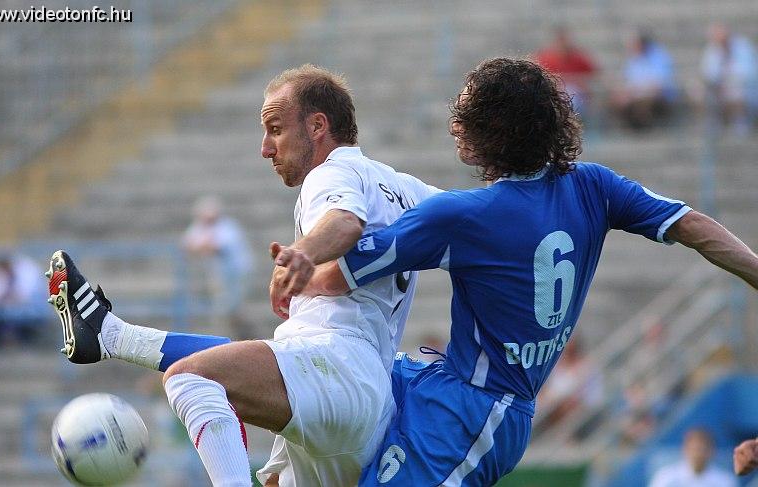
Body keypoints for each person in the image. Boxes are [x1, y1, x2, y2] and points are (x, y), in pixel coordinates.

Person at [271, 58, 758, 485]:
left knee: (321, 383)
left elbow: (335, 276)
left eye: (465, 114)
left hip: (475, 413)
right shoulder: (594, 186)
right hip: (441, 384)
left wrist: (294, 275)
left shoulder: (463, 216)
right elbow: (693, 226)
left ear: (490, 131)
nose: (455, 124)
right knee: (313, 406)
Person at [44, 64, 440, 487]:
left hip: (339, 368)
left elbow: (344, 221)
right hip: (362, 397)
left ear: (317, 126)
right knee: (246, 386)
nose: (266, 148)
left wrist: (301, 255)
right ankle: (113, 336)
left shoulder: (331, 174)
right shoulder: (407, 189)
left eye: (275, 129)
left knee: (193, 378)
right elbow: (473, 223)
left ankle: (112, 337)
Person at [182, 194, 253, 338]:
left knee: (231, 305)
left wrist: (202, 247)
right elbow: (187, 244)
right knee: (226, 307)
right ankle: (237, 333)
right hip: (219, 275)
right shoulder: (200, 227)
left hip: (236, 273)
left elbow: (216, 246)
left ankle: (240, 333)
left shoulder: (227, 227)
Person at [612, 30, 679, 130]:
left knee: (644, 101)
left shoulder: (659, 56)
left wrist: (636, 92)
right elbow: (628, 80)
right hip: (637, 94)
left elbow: (659, 83)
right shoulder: (633, 59)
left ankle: (644, 127)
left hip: (659, 95)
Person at [700, 23, 758, 135]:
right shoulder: (712, 49)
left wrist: (728, 81)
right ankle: (713, 123)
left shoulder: (743, 47)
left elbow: (749, 72)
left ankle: (740, 122)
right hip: (719, 87)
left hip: (744, 87)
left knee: (736, 92)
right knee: (698, 92)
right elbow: (708, 72)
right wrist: (718, 82)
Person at [0, 253, 45, 348]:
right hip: (8, 308)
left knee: (19, 315)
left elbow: (24, 297)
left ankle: (23, 342)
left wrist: (2, 299)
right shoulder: (0, 272)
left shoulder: (27, 270)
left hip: (31, 308)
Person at [534, 26, 597, 114]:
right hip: (555, 94)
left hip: (578, 95)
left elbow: (594, 75)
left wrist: (581, 83)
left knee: (573, 99)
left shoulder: (579, 57)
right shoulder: (546, 58)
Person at [649, 429, 737, 487]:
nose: (698, 454)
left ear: (712, 451)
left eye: (703, 449)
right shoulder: (666, 476)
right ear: (685, 449)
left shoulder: (725, 480)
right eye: (695, 448)